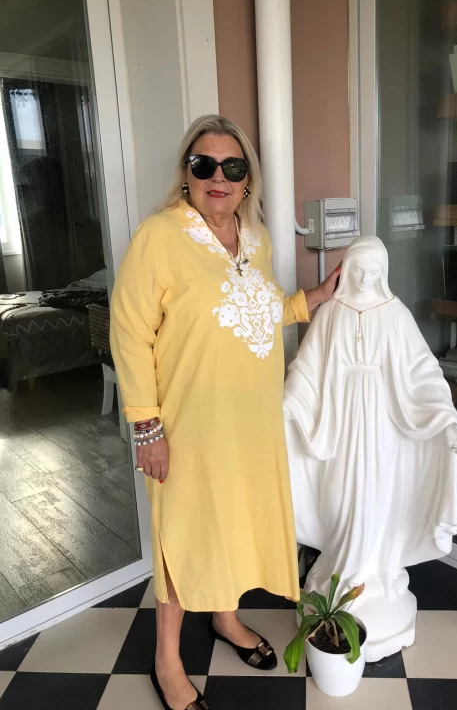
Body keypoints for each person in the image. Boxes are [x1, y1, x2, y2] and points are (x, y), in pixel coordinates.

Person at [110, 114, 339, 710]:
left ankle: (225, 618)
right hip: (189, 426)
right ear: (186, 174)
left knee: (231, 522)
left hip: (250, 422)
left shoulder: (256, 238)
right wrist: (147, 428)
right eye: (204, 164)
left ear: (246, 179)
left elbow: (258, 310)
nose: (218, 177)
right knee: (182, 534)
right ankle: (167, 659)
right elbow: (129, 334)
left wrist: (312, 300)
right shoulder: (159, 237)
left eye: (231, 166)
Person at [284, 235, 457, 661]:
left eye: (374, 270)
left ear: (383, 272)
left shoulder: (395, 313)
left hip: (383, 426)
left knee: (377, 497)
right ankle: (338, 570)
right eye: (360, 269)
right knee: (340, 497)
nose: (367, 277)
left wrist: (446, 420)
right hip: (340, 423)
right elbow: (307, 369)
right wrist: (289, 405)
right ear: (347, 269)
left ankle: (374, 574)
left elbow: (423, 370)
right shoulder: (331, 313)